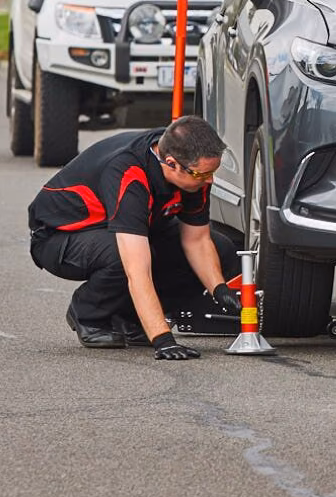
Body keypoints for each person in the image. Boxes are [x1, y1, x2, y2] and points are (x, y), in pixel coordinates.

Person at [28, 115, 241, 360]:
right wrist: (163, 339)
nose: (210, 180)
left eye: (213, 172)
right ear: (171, 163)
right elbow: (136, 268)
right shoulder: (129, 173)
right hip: (59, 238)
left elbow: (197, 241)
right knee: (125, 256)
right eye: (202, 175)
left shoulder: (189, 163)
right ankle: (88, 313)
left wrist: (219, 289)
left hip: (125, 229)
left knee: (221, 248)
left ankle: (129, 320)